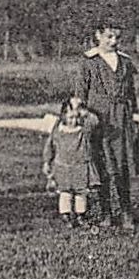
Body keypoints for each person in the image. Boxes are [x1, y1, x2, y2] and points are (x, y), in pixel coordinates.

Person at [70, 15, 139, 230]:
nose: (113, 41)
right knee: (102, 167)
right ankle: (106, 212)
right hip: (98, 119)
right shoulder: (88, 62)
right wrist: (81, 114)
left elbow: (131, 92)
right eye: (109, 36)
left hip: (121, 118)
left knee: (122, 166)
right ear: (98, 35)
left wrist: (133, 117)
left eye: (117, 37)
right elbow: (80, 93)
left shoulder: (125, 62)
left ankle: (126, 211)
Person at [41, 97, 99, 230]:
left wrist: (82, 109)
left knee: (81, 193)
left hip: (80, 166)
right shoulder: (58, 130)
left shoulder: (83, 130)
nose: (74, 121)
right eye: (71, 117)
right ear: (63, 116)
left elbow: (95, 121)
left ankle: (80, 216)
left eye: (76, 117)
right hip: (63, 166)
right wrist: (47, 161)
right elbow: (50, 146)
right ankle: (66, 217)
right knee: (65, 193)